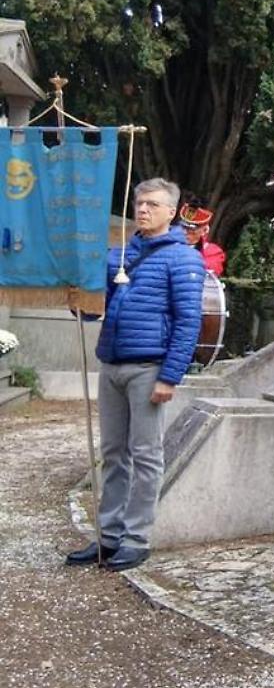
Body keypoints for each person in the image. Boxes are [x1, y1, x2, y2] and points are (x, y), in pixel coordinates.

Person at [66, 178, 205, 572]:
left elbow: (188, 323)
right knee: (112, 454)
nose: (142, 210)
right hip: (112, 362)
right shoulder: (118, 255)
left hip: (149, 368)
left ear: (172, 212)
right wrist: (77, 298)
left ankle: (137, 538)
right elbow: (95, 308)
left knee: (146, 455)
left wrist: (169, 377)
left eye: (152, 205)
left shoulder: (183, 259)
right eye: (139, 203)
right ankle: (108, 537)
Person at [179, 201, 226, 276]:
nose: (184, 232)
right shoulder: (169, 244)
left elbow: (210, 272)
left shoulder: (212, 252)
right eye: (183, 227)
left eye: (191, 229)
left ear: (204, 230)